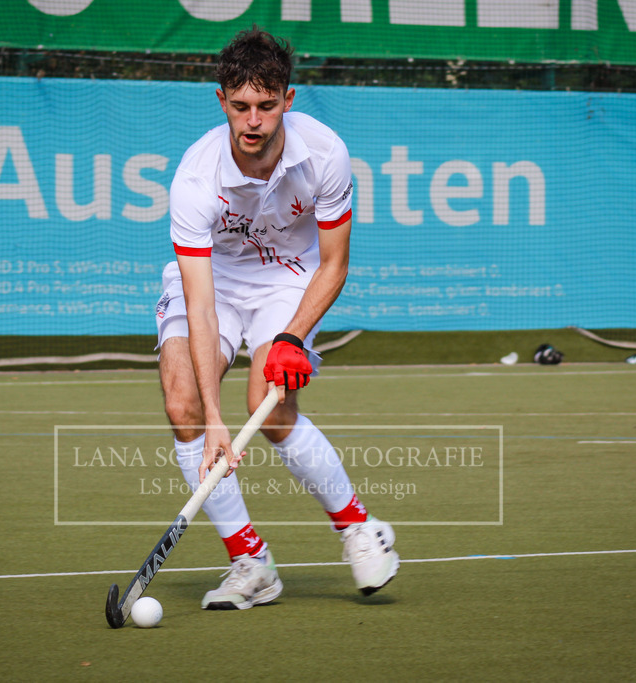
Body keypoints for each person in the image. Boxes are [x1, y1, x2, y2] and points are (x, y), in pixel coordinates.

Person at [155, 26, 399, 611]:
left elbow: (335, 264)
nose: (254, 120)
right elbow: (202, 301)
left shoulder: (325, 155)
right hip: (217, 285)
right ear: (222, 102)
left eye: (267, 105)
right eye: (240, 106)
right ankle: (250, 561)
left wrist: (291, 337)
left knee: (269, 403)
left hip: (291, 280)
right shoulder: (195, 179)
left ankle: (359, 528)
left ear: (288, 100)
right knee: (184, 402)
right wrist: (213, 420)